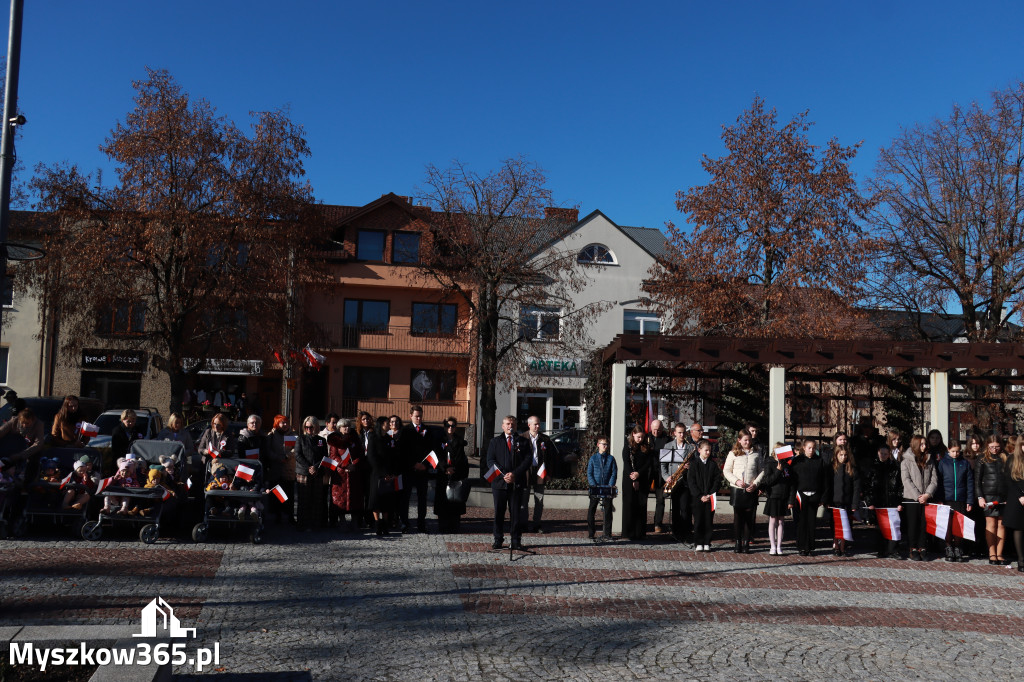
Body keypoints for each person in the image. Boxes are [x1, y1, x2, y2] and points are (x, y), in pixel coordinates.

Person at [485, 415, 531, 550]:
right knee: (499, 512)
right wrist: (505, 474)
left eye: (513, 424)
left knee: (516, 513)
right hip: (499, 483)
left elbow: (527, 460)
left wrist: (514, 474)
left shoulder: (522, 441)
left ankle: (516, 540)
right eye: (508, 424)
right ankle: (498, 539)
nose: (510, 426)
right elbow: (490, 461)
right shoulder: (495, 442)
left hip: (516, 482)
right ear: (503, 426)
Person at [722, 428, 764, 553]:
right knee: (738, 517)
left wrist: (756, 483)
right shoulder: (733, 453)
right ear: (739, 440)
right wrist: (736, 481)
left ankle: (746, 543)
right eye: (745, 440)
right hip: (738, 489)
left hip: (751, 489)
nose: (747, 442)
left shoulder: (756, 453)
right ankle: (737, 542)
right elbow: (726, 470)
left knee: (749, 517)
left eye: (749, 440)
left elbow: (762, 470)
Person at [789, 439, 830, 556]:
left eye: (813, 448)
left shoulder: (820, 461)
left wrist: (823, 498)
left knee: (811, 522)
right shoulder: (797, 461)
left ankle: (810, 547)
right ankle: (802, 546)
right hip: (800, 496)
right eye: (809, 448)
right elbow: (793, 482)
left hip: (814, 495)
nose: (811, 450)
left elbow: (824, 481)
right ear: (804, 448)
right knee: (801, 522)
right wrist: (791, 499)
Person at [936, 439, 974, 562]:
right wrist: (940, 499)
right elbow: (939, 483)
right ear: (948, 450)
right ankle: (948, 547)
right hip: (947, 499)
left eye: (957, 451)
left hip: (961, 499)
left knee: (959, 525)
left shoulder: (964, 463)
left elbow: (969, 483)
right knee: (947, 525)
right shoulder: (942, 463)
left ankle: (957, 547)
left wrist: (969, 500)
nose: (955, 454)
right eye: (953, 451)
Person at [901, 434, 937, 561]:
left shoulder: (929, 459)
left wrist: (927, 494)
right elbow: (906, 480)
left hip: (926, 497)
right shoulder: (906, 461)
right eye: (921, 444)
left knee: (924, 524)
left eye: (925, 444)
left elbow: (934, 479)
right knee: (913, 524)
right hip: (912, 498)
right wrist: (917, 496)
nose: (924, 446)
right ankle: (912, 548)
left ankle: (923, 547)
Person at [398, 406, 434, 533]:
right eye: (416, 416)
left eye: (420, 416)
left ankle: (421, 524)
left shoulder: (427, 430)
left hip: (423, 470)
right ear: (410, 416)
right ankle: (405, 523)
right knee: (405, 498)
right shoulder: (405, 430)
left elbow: (431, 450)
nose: (419, 418)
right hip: (409, 470)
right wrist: (413, 464)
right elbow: (402, 451)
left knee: (422, 498)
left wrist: (426, 465)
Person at [865, 445, 904, 559]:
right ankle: (881, 549)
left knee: (893, 525)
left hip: (892, 501)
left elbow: (900, 486)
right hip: (878, 501)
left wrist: (899, 502)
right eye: (881, 453)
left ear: (889, 454)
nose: (883, 456)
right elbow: (868, 486)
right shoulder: (872, 467)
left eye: (886, 454)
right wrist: (869, 502)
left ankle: (893, 550)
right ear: (878, 453)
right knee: (880, 527)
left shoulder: (895, 467)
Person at [362, 411, 397, 537]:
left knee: (386, 501)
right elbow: (371, 457)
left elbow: (393, 457)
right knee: (376, 501)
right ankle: (377, 524)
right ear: (382, 424)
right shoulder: (373, 438)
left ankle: (385, 524)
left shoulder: (389, 439)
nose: (389, 425)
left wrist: (391, 473)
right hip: (376, 474)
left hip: (388, 474)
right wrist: (382, 473)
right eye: (387, 423)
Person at [662, 423, 698, 543]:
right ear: (674, 433)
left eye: (683, 432)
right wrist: (667, 477)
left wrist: (690, 466)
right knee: (675, 508)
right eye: (679, 433)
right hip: (673, 481)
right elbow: (663, 465)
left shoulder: (690, 447)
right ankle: (676, 533)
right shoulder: (668, 446)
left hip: (685, 482)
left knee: (685, 508)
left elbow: (696, 464)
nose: (682, 435)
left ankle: (686, 533)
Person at [976, 435, 1008, 565]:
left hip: (1004, 496)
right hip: (988, 495)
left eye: (997, 447)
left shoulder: (1006, 458)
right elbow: (977, 480)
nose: (994, 449)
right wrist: (980, 497)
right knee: (991, 525)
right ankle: (992, 553)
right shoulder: (982, 459)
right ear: (987, 446)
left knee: (1001, 525)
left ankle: (999, 553)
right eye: (991, 447)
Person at [434, 417, 469, 534]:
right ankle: (443, 526)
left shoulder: (459, 440)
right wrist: (445, 468)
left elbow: (461, 457)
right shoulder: (439, 440)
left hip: (456, 474)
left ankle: (454, 526)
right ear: (445, 427)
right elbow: (437, 456)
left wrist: (454, 469)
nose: (450, 428)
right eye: (448, 426)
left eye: (453, 426)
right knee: (443, 501)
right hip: (443, 475)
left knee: (455, 501)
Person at [524, 415, 558, 534]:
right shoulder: (522, 438)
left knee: (539, 500)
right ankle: (524, 524)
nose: (538, 426)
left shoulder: (545, 439)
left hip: (540, 472)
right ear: (529, 425)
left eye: (539, 424)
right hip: (526, 473)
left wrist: (549, 473)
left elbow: (551, 458)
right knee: (524, 501)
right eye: (535, 424)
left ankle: (536, 524)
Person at [328, 418, 364, 530]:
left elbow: (360, 454)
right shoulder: (335, 440)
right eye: (344, 426)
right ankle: (342, 521)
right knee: (340, 499)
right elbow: (333, 456)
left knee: (355, 498)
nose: (347, 428)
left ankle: (354, 521)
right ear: (339, 428)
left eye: (348, 426)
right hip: (340, 474)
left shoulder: (355, 439)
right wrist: (345, 465)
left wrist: (354, 464)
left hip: (354, 473)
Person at [687, 439, 722, 552]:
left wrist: (710, 493)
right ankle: (698, 542)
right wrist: (700, 495)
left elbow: (717, 480)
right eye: (706, 450)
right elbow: (691, 482)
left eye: (709, 450)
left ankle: (707, 542)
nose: (708, 452)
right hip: (698, 498)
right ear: (699, 450)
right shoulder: (694, 464)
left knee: (708, 520)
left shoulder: (712, 465)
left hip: (710, 497)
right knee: (698, 521)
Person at [294, 416, 328, 531]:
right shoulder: (301, 439)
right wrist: (308, 467)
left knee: (316, 499)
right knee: (304, 499)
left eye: (311, 427)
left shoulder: (321, 440)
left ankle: (315, 523)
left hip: (317, 472)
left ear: (316, 427)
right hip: (303, 472)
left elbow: (325, 456)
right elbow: (298, 455)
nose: (309, 429)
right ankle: (302, 523)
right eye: (306, 427)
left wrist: (316, 467)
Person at [759, 442, 792, 556]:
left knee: (781, 521)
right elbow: (768, 481)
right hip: (773, 496)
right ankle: (772, 546)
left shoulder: (787, 465)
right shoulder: (769, 463)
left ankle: (779, 546)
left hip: (784, 496)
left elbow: (790, 483)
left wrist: (790, 499)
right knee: (773, 520)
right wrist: (778, 471)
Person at [621, 426, 654, 541]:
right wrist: (633, 477)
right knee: (629, 504)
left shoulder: (646, 447)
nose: (640, 439)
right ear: (633, 434)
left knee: (641, 505)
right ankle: (628, 532)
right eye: (638, 436)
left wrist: (638, 474)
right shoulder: (628, 447)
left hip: (642, 477)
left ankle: (640, 532)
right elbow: (626, 462)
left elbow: (648, 463)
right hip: (629, 478)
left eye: (642, 437)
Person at [828, 444, 861, 557]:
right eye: (841, 455)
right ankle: (836, 546)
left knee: (845, 526)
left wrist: (854, 504)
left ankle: (842, 547)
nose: (843, 457)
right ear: (836, 455)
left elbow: (856, 488)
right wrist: (827, 500)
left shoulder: (852, 469)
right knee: (835, 526)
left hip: (847, 502)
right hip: (834, 501)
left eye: (845, 455)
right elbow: (828, 486)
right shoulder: (832, 468)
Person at [266, 415, 296, 524]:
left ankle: (290, 516)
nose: (285, 425)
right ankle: (277, 515)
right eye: (282, 423)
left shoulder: (293, 435)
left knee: (289, 494)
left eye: (286, 422)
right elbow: (268, 450)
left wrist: (288, 455)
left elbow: (295, 449)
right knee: (278, 493)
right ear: (277, 423)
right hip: (276, 469)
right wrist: (277, 457)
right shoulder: (272, 435)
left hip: (288, 469)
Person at [586, 435, 617, 541]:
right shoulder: (593, 458)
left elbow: (614, 472)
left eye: (606, 444)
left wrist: (610, 484)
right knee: (592, 509)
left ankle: (607, 533)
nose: (605, 446)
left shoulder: (611, 458)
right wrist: (593, 484)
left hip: (607, 487)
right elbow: (589, 473)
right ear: (598, 445)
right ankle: (591, 532)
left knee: (608, 510)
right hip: (595, 487)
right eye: (603, 444)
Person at [1002, 438, 1024, 572]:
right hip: (1017, 498)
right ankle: (1021, 560)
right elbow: (1009, 480)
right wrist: (1020, 496)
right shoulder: (1012, 459)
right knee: (1019, 529)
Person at [647, 419, 672, 534]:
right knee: (642, 498)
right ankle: (642, 523)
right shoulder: (646, 438)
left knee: (660, 499)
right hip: (647, 471)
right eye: (654, 430)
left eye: (659, 430)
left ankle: (658, 523)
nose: (656, 432)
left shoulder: (667, 440)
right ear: (651, 428)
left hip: (660, 473)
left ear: (662, 429)